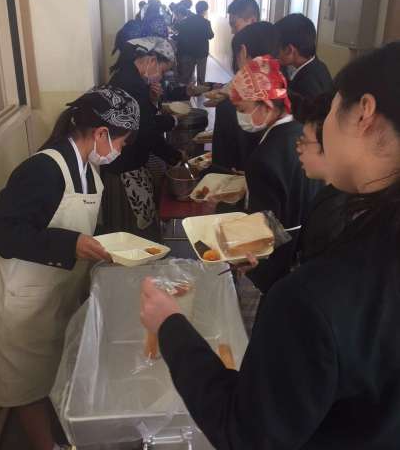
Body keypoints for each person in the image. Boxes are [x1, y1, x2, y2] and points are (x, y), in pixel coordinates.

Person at [141, 42, 400, 449]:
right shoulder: (361, 228)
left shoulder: (313, 298)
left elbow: (246, 432)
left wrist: (170, 325)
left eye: (335, 105)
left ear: (364, 113)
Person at [0, 86, 140, 450]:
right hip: (16, 301)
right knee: (25, 387)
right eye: (122, 142)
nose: (121, 150)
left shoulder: (87, 170)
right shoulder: (43, 170)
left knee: (46, 375)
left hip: (50, 295)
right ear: (102, 133)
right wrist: (70, 245)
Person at [229, 55, 320, 311]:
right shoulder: (300, 131)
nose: (239, 117)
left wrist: (256, 270)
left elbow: (267, 229)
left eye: (242, 110)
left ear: (267, 106)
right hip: (305, 254)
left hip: (276, 267)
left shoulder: (264, 158)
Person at [105, 37, 182, 240]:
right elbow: (146, 130)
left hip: (124, 164)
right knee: (132, 234)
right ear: (151, 60)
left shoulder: (126, 77)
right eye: (162, 71)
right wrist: (174, 156)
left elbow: (144, 119)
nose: (160, 77)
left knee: (132, 229)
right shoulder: (132, 85)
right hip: (125, 168)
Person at [212, 21, 275, 173]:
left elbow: (220, 170)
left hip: (241, 185)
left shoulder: (229, 108)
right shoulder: (293, 96)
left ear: (243, 52)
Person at [294, 93, 349, 265]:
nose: (299, 149)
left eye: (305, 141)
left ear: (331, 146)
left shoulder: (334, 216)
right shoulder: (332, 193)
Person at [274, 13, 333, 107]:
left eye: (276, 48)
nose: (274, 53)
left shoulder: (306, 85)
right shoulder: (319, 66)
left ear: (289, 50)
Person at [176, 0, 214, 85]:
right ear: (205, 10)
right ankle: (199, 90)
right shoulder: (206, 22)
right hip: (201, 52)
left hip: (188, 52)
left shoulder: (186, 21)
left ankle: (186, 91)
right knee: (201, 77)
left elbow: (180, 33)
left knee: (186, 76)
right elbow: (211, 35)